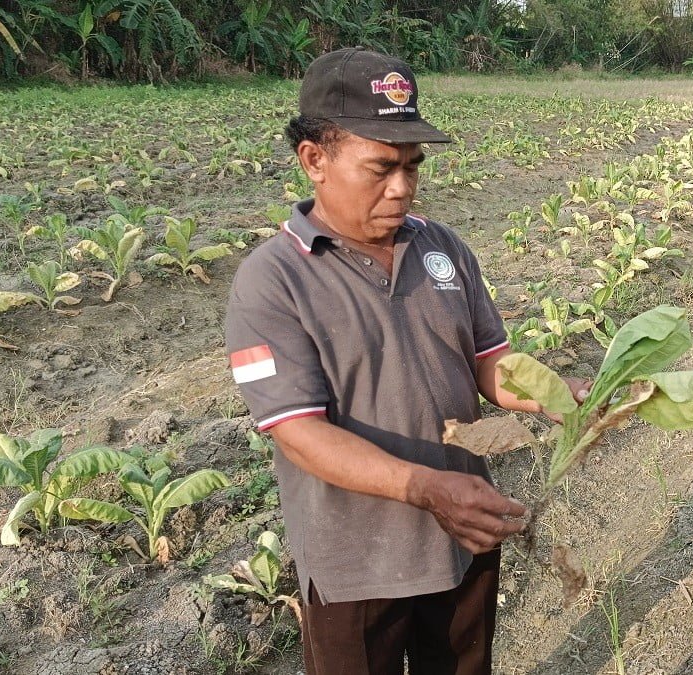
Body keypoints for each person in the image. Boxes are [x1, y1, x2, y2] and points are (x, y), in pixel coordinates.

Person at [224, 47, 585, 674]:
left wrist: (562, 396)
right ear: (315, 160)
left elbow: (488, 364)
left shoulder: (441, 247)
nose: (403, 188)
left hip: (463, 535)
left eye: (413, 167)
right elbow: (301, 435)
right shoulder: (271, 282)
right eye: (381, 168)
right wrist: (424, 487)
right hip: (357, 564)